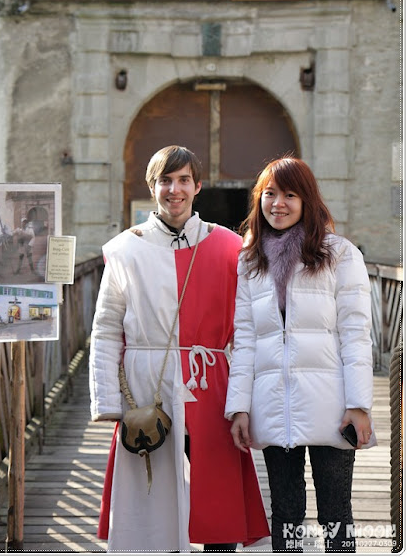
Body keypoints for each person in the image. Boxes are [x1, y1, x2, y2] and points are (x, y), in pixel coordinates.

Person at [89, 145, 270, 552]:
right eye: (165, 181)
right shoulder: (125, 250)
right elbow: (106, 328)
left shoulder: (229, 247)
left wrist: (245, 401)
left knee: (217, 491)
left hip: (210, 379)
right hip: (146, 381)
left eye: (184, 180)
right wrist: (108, 400)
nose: (175, 190)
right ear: (152, 187)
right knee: (151, 496)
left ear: (197, 186)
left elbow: (248, 332)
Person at [225, 157, 375, 553]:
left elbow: (356, 334)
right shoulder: (250, 260)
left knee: (336, 512)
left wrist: (359, 404)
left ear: (307, 200)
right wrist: (239, 406)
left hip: (332, 404)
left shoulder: (339, 254)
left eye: (290, 194)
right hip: (273, 404)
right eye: (270, 194)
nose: (278, 204)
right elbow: (245, 340)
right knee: (286, 513)